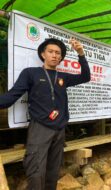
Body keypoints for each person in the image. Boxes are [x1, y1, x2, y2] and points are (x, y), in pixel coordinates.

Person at [0, 38, 90, 190]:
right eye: (51, 52)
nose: (54, 55)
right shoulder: (31, 73)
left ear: (61, 58)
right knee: (35, 169)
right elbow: (12, 96)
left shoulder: (63, 77)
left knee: (53, 171)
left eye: (58, 53)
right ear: (43, 54)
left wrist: (81, 54)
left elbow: (85, 76)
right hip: (40, 128)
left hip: (59, 130)